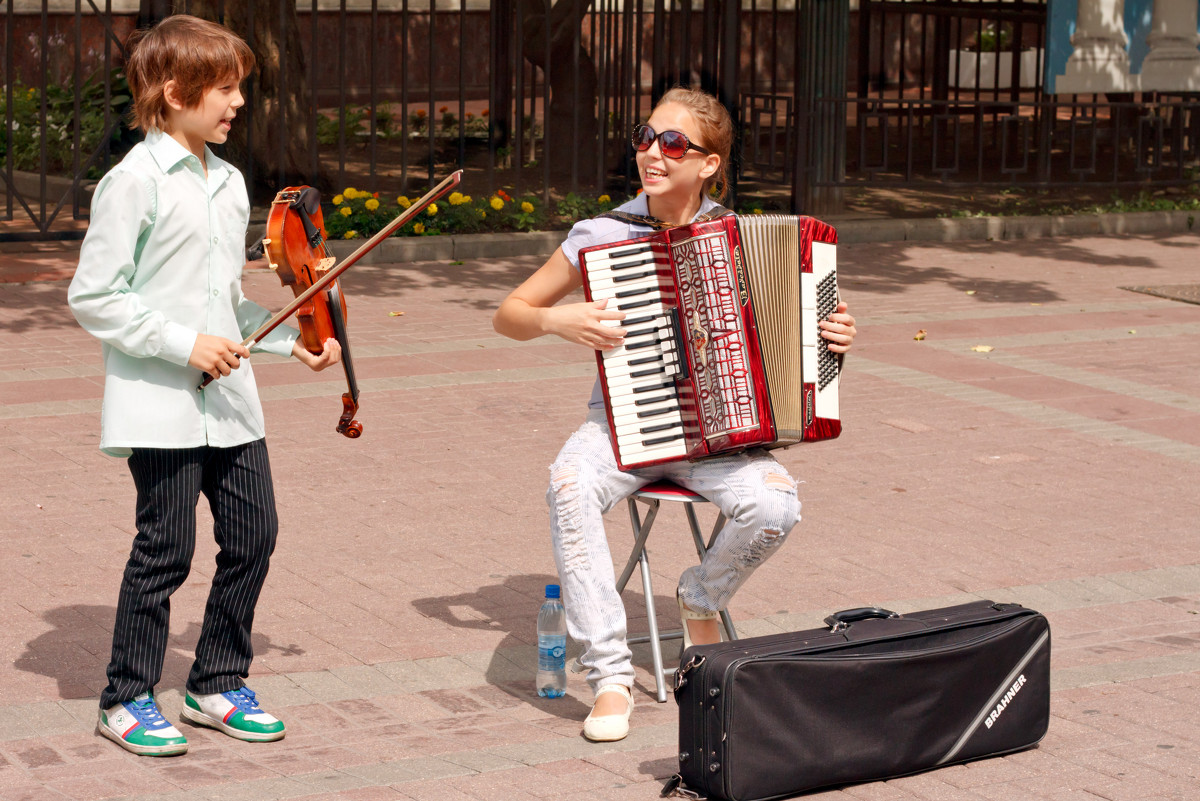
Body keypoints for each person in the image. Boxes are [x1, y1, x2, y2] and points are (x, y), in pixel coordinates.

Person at [493, 87, 857, 742]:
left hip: (720, 442)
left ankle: (701, 594)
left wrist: (830, 338)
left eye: (671, 143)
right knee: (568, 483)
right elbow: (509, 313)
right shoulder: (601, 235)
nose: (650, 153)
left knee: (776, 506)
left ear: (708, 163)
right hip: (620, 428)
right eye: (644, 136)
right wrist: (556, 318)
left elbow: (800, 349)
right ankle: (608, 673)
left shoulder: (743, 241)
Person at [67, 15, 342, 757]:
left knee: (256, 534)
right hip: (159, 404)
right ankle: (125, 695)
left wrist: (293, 340)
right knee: (166, 549)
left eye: (239, 87)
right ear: (171, 89)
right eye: (223, 88)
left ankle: (215, 681)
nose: (238, 102)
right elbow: (95, 295)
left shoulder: (228, 183)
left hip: (230, 401)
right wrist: (185, 344)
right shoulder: (132, 183)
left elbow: (227, 303)